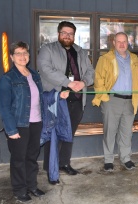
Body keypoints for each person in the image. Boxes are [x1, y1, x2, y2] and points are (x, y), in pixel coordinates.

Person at [0, 41, 68, 202]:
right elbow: (3, 107)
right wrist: (11, 130)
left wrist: (58, 95)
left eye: (25, 53)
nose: (23, 57)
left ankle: (32, 186)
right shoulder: (8, 79)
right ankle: (19, 190)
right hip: (19, 125)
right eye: (18, 53)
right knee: (18, 159)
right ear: (12, 57)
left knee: (31, 157)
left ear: (29, 55)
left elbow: (41, 97)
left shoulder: (34, 75)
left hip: (36, 123)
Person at [37, 21, 95, 181]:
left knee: (68, 134)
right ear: (58, 34)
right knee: (53, 133)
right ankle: (51, 168)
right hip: (56, 99)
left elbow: (91, 72)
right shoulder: (47, 49)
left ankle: (64, 163)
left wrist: (83, 83)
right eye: (64, 33)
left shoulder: (81, 52)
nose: (67, 36)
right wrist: (68, 83)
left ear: (74, 35)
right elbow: (45, 69)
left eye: (70, 33)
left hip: (76, 100)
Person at [92, 32, 138, 171]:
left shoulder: (134, 59)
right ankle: (108, 160)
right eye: (118, 41)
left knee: (126, 132)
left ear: (128, 42)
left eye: (124, 41)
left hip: (130, 101)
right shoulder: (105, 59)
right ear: (114, 43)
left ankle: (126, 158)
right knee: (110, 131)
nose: (121, 44)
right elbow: (98, 79)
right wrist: (105, 97)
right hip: (112, 100)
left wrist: (137, 96)